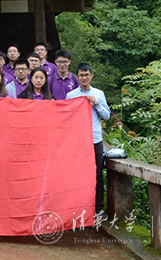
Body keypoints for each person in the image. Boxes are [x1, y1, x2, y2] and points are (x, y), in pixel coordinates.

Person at [66, 63, 111, 220]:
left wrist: (96, 104)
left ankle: (98, 209)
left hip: (95, 140)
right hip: (77, 141)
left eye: (86, 75)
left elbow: (106, 116)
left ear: (91, 75)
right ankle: (78, 208)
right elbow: (67, 118)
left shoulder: (98, 94)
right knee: (77, 175)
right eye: (81, 75)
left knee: (97, 174)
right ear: (77, 77)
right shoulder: (71, 95)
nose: (84, 78)